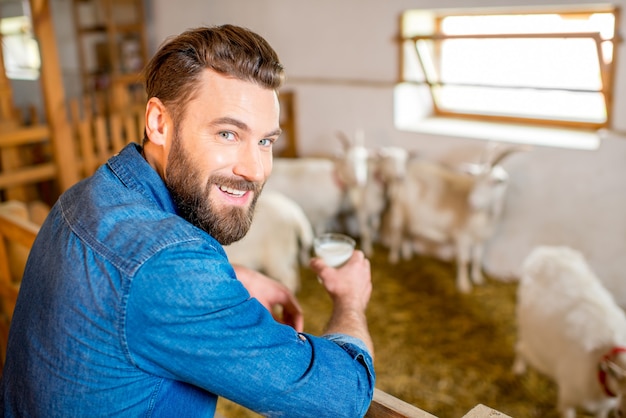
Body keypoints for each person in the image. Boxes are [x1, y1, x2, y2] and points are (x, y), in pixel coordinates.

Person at [0, 24, 375, 417]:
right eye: (228, 134)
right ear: (159, 123)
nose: (256, 169)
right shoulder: (169, 264)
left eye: (265, 141)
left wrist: (226, 277)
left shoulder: (83, 199)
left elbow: (126, 279)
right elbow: (340, 399)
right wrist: (349, 300)